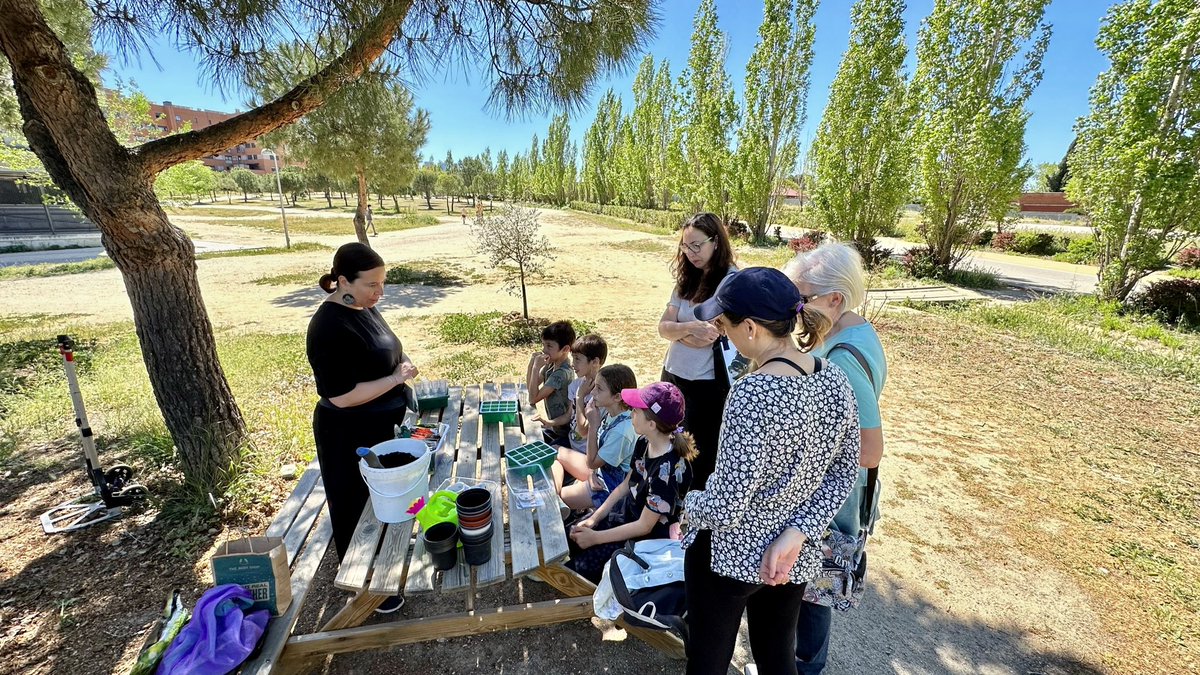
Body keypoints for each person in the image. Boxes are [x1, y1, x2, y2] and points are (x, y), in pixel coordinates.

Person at [680, 267, 860, 675]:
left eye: (723, 324)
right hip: (790, 555)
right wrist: (798, 532)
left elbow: (725, 507)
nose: (721, 332)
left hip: (731, 555)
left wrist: (689, 505)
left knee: (707, 660)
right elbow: (844, 473)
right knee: (778, 655)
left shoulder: (751, 392)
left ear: (749, 327)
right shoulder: (833, 378)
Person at [782, 242, 888, 673]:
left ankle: (806, 666)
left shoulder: (841, 360)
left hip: (832, 501)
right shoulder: (858, 331)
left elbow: (870, 449)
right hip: (836, 495)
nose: (797, 310)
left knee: (813, 590)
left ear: (835, 299)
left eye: (802, 299)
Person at [305, 242, 417, 614]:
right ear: (342, 281)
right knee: (355, 507)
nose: (379, 292)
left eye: (382, 283)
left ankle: (386, 565)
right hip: (348, 432)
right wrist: (394, 379)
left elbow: (389, 351)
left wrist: (403, 367)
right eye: (372, 284)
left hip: (382, 424)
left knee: (386, 500)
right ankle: (365, 584)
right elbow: (340, 396)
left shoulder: (364, 308)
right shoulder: (327, 327)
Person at [566, 381, 694, 583]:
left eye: (635, 411)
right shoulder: (644, 441)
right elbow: (627, 484)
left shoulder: (667, 471)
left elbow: (644, 526)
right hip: (626, 515)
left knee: (578, 569)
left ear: (651, 424)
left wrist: (596, 537)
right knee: (572, 535)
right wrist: (595, 518)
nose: (631, 413)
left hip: (644, 541)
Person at [657, 212, 736, 490]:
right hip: (673, 374)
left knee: (699, 454)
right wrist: (690, 327)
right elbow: (663, 328)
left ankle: (694, 514)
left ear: (716, 242)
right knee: (670, 440)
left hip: (705, 385)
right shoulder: (686, 279)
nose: (690, 253)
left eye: (696, 245)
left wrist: (679, 329)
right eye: (685, 246)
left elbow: (709, 336)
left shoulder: (730, 280)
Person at [554, 364, 638, 510]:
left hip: (610, 486)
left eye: (599, 388)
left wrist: (593, 425)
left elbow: (592, 462)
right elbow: (593, 462)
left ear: (617, 397)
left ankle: (558, 503)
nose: (593, 393)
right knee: (554, 451)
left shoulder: (622, 431)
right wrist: (592, 474)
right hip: (600, 472)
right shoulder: (612, 413)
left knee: (562, 498)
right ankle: (553, 497)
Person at [547, 334, 608, 480]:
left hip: (588, 455)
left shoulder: (602, 393)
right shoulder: (575, 385)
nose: (573, 364)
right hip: (571, 443)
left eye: (578, 359)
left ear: (595, 362)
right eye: (573, 358)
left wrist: (580, 398)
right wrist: (548, 423)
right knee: (542, 454)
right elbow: (569, 415)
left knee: (551, 456)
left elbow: (585, 430)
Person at [526, 320, 576, 446]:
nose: (544, 350)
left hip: (564, 433)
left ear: (565, 349)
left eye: (549, 346)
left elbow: (533, 399)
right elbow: (531, 389)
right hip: (554, 428)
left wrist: (535, 368)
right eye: (543, 345)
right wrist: (532, 365)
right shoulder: (551, 365)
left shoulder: (562, 373)